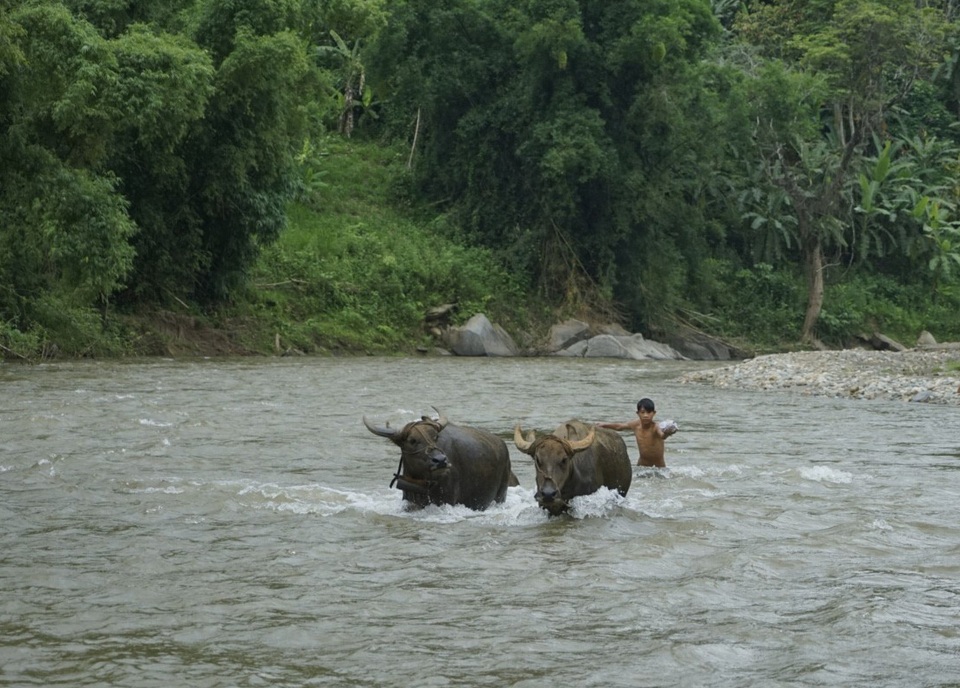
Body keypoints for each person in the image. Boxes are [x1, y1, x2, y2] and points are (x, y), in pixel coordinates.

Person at [596, 398, 678, 468]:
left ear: (654, 413)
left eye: (649, 412)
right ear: (638, 413)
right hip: (642, 465)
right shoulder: (635, 425)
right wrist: (604, 425)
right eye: (642, 412)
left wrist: (668, 432)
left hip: (658, 467)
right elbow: (620, 426)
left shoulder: (656, 426)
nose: (646, 415)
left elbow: (662, 436)